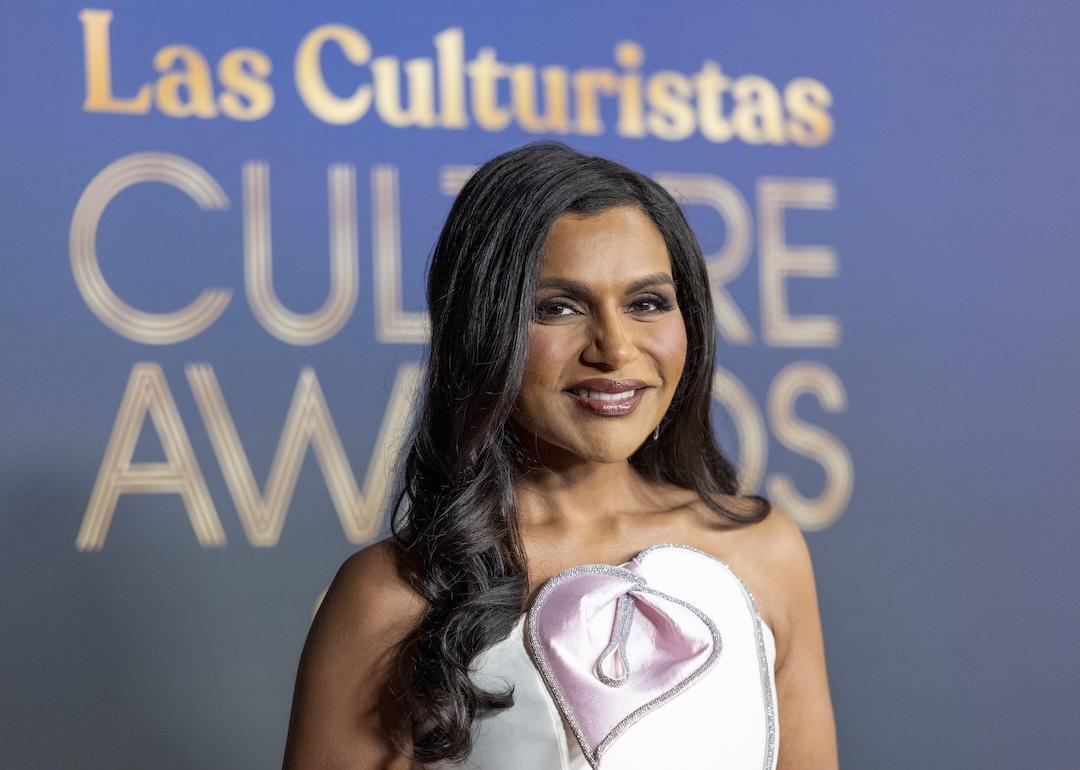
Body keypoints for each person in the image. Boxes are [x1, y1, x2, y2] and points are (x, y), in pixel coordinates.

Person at [282, 141, 838, 769]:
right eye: (558, 308)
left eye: (647, 302)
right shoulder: (393, 594)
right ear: (481, 329)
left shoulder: (765, 551)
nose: (615, 348)